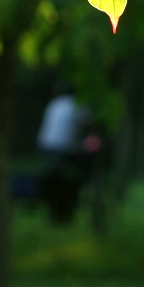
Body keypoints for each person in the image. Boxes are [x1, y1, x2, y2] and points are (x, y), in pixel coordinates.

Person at [36, 83, 92, 224]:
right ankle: (81, 189)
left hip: (47, 147)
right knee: (77, 176)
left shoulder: (54, 104)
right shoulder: (80, 105)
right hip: (67, 149)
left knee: (54, 177)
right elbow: (87, 126)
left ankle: (54, 212)